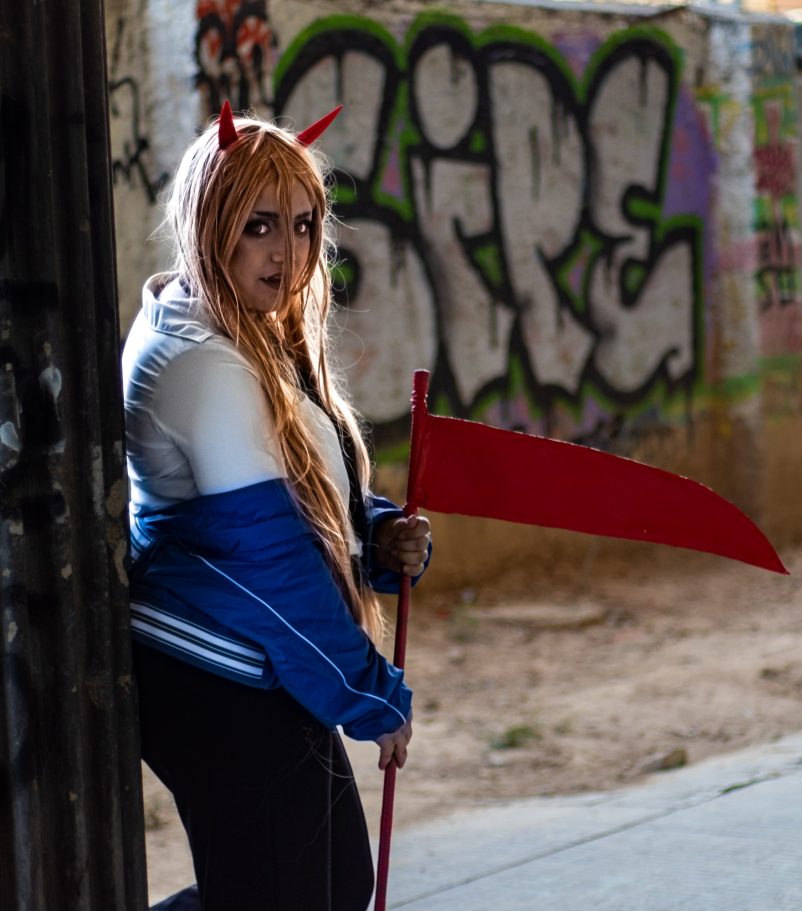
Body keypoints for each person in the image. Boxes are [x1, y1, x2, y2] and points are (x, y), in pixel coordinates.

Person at [121, 103, 431, 911]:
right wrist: (367, 694)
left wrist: (376, 531)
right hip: (212, 673)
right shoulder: (204, 363)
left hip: (254, 663)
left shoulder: (233, 332)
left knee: (333, 887)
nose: (287, 253)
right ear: (210, 220)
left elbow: (297, 496)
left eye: (301, 226)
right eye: (258, 225)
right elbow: (268, 561)